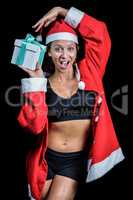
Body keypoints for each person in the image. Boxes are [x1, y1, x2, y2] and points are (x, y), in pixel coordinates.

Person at [17, 7, 125, 200]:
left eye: (70, 48)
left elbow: (99, 33)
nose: (64, 55)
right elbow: (34, 128)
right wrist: (35, 81)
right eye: (58, 48)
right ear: (48, 52)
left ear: (76, 51)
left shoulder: (90, 71)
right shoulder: (42, 82)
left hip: (74, 162)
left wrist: (61, 11)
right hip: (44, 159)